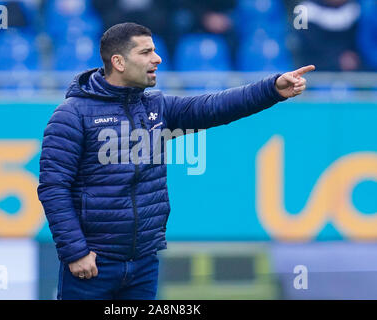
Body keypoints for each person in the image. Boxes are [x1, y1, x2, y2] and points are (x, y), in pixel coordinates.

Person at [37, 22, 315, 300]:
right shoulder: (71, 115)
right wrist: (76, 252)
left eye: (155, 51)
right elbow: (53, 188)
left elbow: (214, 107)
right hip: (93, 265)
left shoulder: (156, 107)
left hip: (144, 262)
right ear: (119, 62)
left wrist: (272, 89)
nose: (157, 59)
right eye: (146, 52)